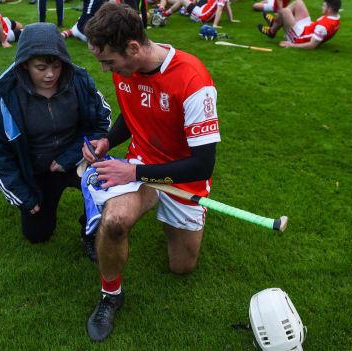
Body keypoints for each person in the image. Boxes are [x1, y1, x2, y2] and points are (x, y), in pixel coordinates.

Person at [82, 2, 220, 341]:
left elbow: (203, 164)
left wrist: (135, 174)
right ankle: (110, 295)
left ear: (133, 48)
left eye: (108, 62)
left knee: (181, 268)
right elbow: (131, 115)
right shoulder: (124, 67)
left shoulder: (193, 80)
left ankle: (174, 221)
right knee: (114, 223)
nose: (105, 70)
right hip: (141, 165)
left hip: (183, 177)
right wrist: (107, 140)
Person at [0, 23, 111, 255]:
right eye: (40, 68)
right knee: (37, 235)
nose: (50, 74)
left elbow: (101, 123)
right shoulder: (6, 100)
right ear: (24, 65)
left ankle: (91, 231)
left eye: (56, 66)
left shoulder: (79, 81)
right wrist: (23, 197)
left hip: (76, 159)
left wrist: (68, 157)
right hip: (37, 171)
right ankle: (39, 201)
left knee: (105, 189)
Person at [257, 0, 341, 49]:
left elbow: (312, 45)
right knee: (298, 2)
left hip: (298, 37)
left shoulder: (323, 26)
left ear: (329, 9)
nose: (322, 7)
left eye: (324, 6)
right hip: (306, 29)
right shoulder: (336, 17)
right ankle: (275, 23)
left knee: (285, 11)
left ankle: (272, 31)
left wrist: (292, 45)